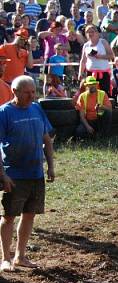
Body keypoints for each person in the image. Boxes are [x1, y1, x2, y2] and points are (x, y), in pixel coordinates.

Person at [0, 76, 55, 272]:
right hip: (14, 174)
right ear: (15, 91)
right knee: (9, 216)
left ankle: (20, 256)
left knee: (29, 214)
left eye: (33, 92)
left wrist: (50, 166)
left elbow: (46, 139)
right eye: (27, 92)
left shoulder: (37, 109)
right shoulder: (4, 113)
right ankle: (5, 258)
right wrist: (2, 175)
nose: (32, 96)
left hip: (35, 172)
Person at [79, 24, 113, 93]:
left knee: (104, 93)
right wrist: (80, 72)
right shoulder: (86, 45)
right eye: (88, 32)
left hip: (103, 74)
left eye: (92, 31)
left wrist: (100, 56)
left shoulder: (103, 42)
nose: (90, 33)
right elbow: (83, 60)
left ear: (97, 33)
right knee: (91, 93)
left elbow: (111, 55)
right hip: (90, 74)